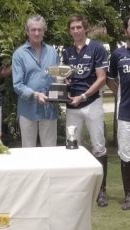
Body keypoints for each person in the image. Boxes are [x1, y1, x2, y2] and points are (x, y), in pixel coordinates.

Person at [62, 15, 109, 207]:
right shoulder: (67, 52)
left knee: (99, 147)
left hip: (92, 103)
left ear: (85, 29)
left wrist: (83, 96)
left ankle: (101, 191)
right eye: (72, 28)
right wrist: (64, 82)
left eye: (79, 27)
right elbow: (66, 77)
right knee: (73, 147)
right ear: (69, 31)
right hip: (72, 106)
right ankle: (77, 190)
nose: (76, 31)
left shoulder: (97, 48)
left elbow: (102, 78)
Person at [12, 15, 59, 147]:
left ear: (44, 31)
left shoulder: (52, 52)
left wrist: (64, 83)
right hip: (28, 108)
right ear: (27, 31)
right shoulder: (19, 54)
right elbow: (17, 84)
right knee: (28, 151)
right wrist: (35, 94)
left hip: (49, 107)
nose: (36, 33)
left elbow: (56, 78)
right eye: (33, 30)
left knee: (50, 150)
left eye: (40, 29)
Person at [107, 16, 130, 210]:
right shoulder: (117, 54)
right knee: (126, 156)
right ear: (126, 31)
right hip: (125, 114)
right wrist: (120, 94)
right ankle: (128, 196)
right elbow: (109, 78)